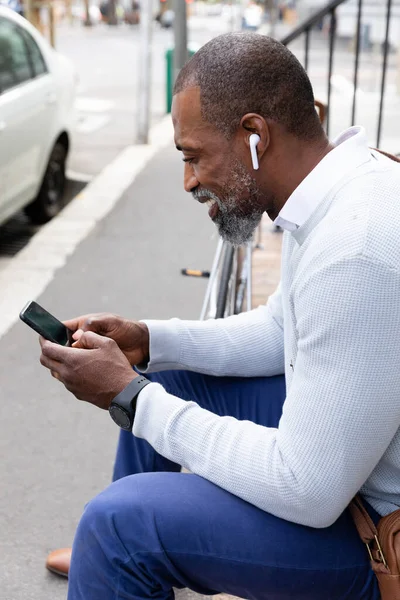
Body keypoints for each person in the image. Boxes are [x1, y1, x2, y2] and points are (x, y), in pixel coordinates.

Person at [39, 32, 400, 599]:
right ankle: (116, 565)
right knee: (168, 378)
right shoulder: (341, 190)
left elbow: (307, 489)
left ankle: (117, 550)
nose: (189, 180)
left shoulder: (353, 249)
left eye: (193, 155)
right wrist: (149, 341)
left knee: (119, 524)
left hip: (377, 536)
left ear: (254, 136)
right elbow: (283, 328)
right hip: (356, 477)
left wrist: (131, 396)